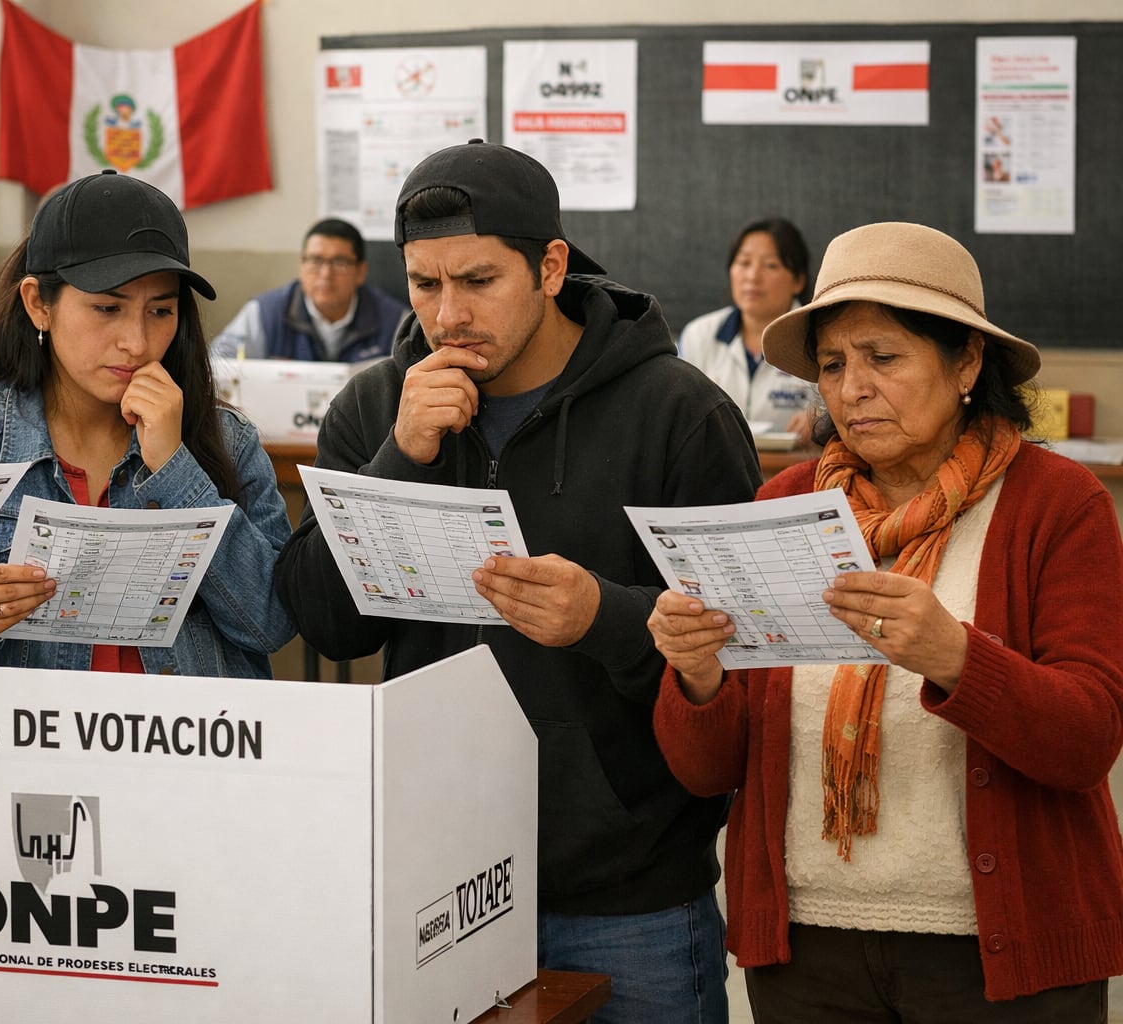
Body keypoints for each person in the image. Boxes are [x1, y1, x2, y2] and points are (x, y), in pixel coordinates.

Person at [274, 138, 762, 1023]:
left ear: (551, 267)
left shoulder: (678, 412)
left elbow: (745, 651)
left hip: (627, 892)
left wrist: (604, 617)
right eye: (424, 284)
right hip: (440, 879)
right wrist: (401, 459)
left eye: (479, 280)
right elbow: (326, 623)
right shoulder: (376, 407)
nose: (448, 314)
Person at [650, 221, 1123, 1021]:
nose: (852, 389)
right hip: (808, 948)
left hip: (998, 953)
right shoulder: (787, 504)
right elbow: (709, 771)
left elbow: (1088, 741)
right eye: (833, 364)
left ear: (966, 363)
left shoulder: (1055, 504)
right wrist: (698, 676)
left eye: (884, 357)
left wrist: (957, 658)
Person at [0, 169, 294, 677]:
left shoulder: (228, 440)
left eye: (160, 311)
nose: (136, 342)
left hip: (188, 729)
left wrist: (176, 471)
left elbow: (271, 623)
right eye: (107, 308)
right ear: (38, 304)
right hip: (28, 729)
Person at [678, 216, 816, 438]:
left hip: (802, 458)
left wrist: (824, 422)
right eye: (744, 263)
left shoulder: (818, 337)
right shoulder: (699, 336)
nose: (753, 277)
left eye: (770, 265)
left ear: (798, 281)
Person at [209, 217, 409, 363]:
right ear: (301, 266)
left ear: (360, 271)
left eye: (339, 262)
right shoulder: (265, 312)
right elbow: (220, 362)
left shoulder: (394, 320)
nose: (325, 274)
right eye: (315, 260)